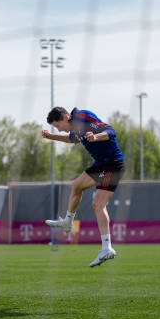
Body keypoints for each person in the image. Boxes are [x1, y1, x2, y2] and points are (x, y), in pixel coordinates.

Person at [42, 106, 125, 267]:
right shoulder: (75, 129)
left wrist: (95, 137)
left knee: (99, 205)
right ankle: (68, 222)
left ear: (66, 117)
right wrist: (52, 136)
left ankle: (106, 247)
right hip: (102, 165)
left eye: (58, 126)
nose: (60, 130)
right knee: (76, 186)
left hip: (112, 165)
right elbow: (72, 139)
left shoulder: (82, 117)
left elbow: (111, 131)